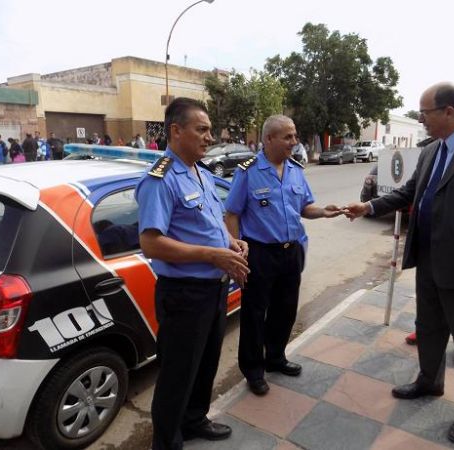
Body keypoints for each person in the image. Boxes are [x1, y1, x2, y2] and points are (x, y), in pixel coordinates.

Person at [344, 82, 454, 444]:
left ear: (449, 112)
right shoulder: (430, 151)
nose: (421, 119)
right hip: (428, 260)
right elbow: (410, 193)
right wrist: (370, 206)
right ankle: (429, 381)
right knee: (430, 328)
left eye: (425, 113)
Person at [135, 97, 249, 450]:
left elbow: (208, 224)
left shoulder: (201, 173)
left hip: (214, 289)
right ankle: (167, 442)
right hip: (184, 293)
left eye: (209, 130)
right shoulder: (161, 179)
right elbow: (151, 244)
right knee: (177, 374)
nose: (208, 137)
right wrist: (210, 255)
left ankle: (195, 420)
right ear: (175, 131)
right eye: (201, 130)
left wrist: (231, 242)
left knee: (205, 363)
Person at [224, 115, 344, 396]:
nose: (294, 141)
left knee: (285, 310)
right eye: (288, 137)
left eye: (295, 135)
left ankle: (275, 358)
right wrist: (238, 249)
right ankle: (253, 371)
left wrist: (325, 211)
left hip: (291, 253)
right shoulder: (248, 171)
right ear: (268, 139)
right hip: (260, 253)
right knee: (255, 315)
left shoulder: (295, 169)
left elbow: (305, 208)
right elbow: (232, 213)